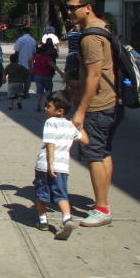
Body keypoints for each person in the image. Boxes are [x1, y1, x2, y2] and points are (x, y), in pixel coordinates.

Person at [66, 0, 119, 227]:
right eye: (68, 8)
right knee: (104, 152)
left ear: (88, 7)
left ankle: (101, 208)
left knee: (94, 154)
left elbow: (95, 76)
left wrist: (80, 110)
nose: (69, 12)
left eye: (73, 7)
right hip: (110, 101)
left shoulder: (90, 37)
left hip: (97, 105)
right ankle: (103, 201)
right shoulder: (104, 28)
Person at [34, 90, 90, 240]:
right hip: (63, 168)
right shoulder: (69, 126)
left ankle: (43, 220)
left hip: (45, 166)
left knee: (42, 194)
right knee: (61, 194)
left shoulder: (50, 122)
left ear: (59, 111)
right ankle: (66, 218)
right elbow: (85, 140)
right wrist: (78, 125)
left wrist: (50, 163)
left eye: (48, 106)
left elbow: (50, 143)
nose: (46, 108)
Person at [31, 43, 65, 112]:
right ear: (46, 51)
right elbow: (54, 66)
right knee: (48, 90)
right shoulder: (47, 58)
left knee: (39, 91)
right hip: (46, 76)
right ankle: (46, 103)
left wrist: (31, 68)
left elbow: (29, 60)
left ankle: (38, 104)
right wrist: (61, 73)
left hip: (37, 76)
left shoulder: (36, 57)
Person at [13, 26, 37, 98]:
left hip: (21, 61)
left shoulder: (20, 39)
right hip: (30, 63)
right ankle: (26, 92)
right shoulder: (33, 40)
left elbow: (17, 51)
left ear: (23, 32)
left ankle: (19, 92)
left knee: (19, 79)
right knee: (28, 79)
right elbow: (34, 52)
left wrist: (15, 61)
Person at [62, 23, 82, 105]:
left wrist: (69, 32)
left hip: (71, 54)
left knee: (68, 70)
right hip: (79, 54)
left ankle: (67, 85)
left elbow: (63, 38)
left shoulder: (71, 34)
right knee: (79, 69)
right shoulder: (82, 34)